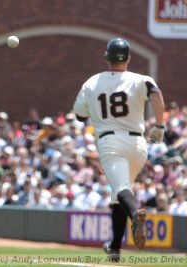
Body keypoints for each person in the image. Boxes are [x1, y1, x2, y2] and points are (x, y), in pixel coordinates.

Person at [73, 37, 165, 261]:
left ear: (107, 57)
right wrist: (160, 126)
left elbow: (79, 115)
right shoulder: (140, 79)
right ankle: (114, 247)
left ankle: (136, 216)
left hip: (110, 142)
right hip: (138, 144)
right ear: (129, 58)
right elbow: (157, 95)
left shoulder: (92, 82)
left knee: (123, 190)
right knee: (118, 196)